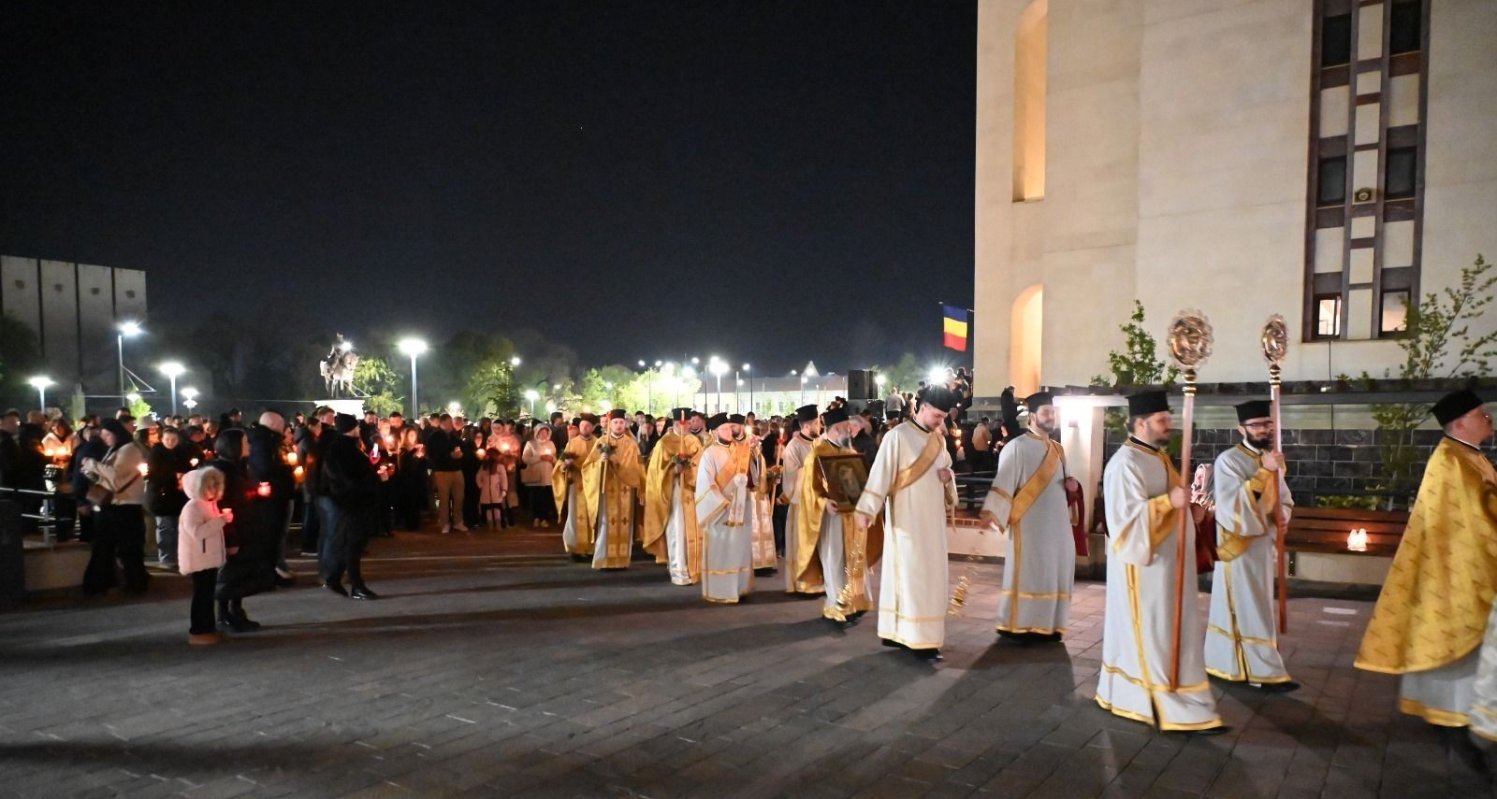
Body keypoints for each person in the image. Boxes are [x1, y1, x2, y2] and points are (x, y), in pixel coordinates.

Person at [1360, 390, 1497, 741]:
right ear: (1460, 422)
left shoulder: (1469, 455)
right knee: (1459, 641)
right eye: (1482, 414)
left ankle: (1459, 714)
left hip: (1460, 566)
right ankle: (1453, 717)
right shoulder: (1452, 459)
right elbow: (1477, 518)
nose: (1489, 419)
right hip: (1457, 572)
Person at [1097, 391, 1224, 733]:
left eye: (1169, 418)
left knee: (1171, 628)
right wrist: (1170, 502)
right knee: (1152, 629)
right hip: (1145, 570)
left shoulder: (1159, 458)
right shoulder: (1125, 464)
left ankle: (1178, 688)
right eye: (1162, 420)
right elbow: (1125, 523)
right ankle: (1154, 695)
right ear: (1140, 423)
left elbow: (1174, 504)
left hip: (1170, 566)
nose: (1169, 425)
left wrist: (1191, 511)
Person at [854, 387, 958, 661]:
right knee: (911, 577)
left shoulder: (939, 441)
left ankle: (922, 634)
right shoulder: (896, 437)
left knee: (932, 578)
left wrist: (949, 478)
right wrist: (867, 509)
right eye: (937, 415)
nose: (940, 422)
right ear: (922, 408)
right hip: (907, 522)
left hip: (933, 524)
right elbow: (881, 474)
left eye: (943, 417)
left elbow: (947, 472)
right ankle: (914, 638)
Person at [1203, 399, 1298, 691]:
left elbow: (1283, 498)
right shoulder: (1228, 460)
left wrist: (1282, 513)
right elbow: (1232, 507)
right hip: (1238, 545)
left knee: (1256, 604)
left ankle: (1228, 663)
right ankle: (1263, 671)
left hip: (1262, 543)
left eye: (1266, 424)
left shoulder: (1271, 460)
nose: (1263, 429)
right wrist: (1262, 473)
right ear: (1240, 428)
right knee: (1246, 606)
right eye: (1256, 425)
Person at [979, 392, 1075, 643]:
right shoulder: (1016, 447)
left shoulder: (1059, 450)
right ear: (1032, 417)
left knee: (1055, 571)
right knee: (1029, 572)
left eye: (1053, 413)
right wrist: (993, 512)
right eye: (1046, 413)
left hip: (1057, 525)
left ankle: (1051, 625)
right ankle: (1018, 624)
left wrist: (1072, 485)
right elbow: (1003, 483)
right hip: (1029, 525)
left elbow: (1065, 482)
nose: (1051, 417)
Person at [797, 406, 877, 624]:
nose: (849, 432)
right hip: (832, 519)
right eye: (845, 428)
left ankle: (857, 602)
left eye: (849, 428)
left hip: (853, 517)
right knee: (835, 561)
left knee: (855, 559)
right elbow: (809, 490)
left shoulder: (850, 452)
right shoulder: (817, 452)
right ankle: (838, 607)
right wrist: (824, 502)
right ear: (834, 429)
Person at [209, 428, 274, 632]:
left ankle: (236, 611)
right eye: (245, 442)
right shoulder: (223, 472)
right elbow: (225, 506)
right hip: (233, 531)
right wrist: (231, 539)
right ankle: (224, 615)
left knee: (239, 576)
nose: (249, 446)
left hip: (245, 529)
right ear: (234, 446)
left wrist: (257, 495)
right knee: (229, 576)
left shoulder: (237, 468)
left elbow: (241, 497)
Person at [80, 418, 150, 595]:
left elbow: (116, 478)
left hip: (126, 505)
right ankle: (108, 583)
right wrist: (93, 473)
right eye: (102, 435)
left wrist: (93, 465)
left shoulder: (129, 450)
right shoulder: (116, 450)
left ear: (116, 433)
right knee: (110, 547)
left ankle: (132, 583)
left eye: (107, 435)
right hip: (114, 504)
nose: (104, 439)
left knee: (126, 548)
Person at [696, 413, 755, 603]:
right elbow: (707, 483)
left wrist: (755, 454)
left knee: (739, 549)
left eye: (730, 427)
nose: (729, 431)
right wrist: (723, 502)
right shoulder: (709, 453)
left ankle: (739, 587)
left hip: (740, 508)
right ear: (714, 432)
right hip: (720, 511)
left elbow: (753, 475)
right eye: (724, 428)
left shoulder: (741, 449)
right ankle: (721, 591)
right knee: (722, 551)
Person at [320, 413, 380, 599]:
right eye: (357, 427)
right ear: (351, 429)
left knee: (352, 543)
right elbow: (346, 478)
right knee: (353, 544)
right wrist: (369, 482)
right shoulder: (341, 450)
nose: (359, 429)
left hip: (354, 501)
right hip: (352, 502)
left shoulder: (347, 447)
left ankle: (335, 578)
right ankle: (356, 585)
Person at [642, 409, 703, 585]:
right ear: (676, 424)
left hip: (692, 491)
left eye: (690, 423)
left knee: (692, 530)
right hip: (673, 492)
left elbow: (701, 465)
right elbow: (655, 472)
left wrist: (690, 471)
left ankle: (694, 569)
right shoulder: (664, 443)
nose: (688, 426)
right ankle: (678, 570)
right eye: (685, 423)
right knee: (677, 530)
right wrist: (673, 471)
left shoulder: (694, 441)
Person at [585, 409, 643, 569]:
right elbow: (587, 467)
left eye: (621, 422)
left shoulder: (631, 444)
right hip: (607, 488)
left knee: (625, 523)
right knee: (606, 522)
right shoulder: (602, 442)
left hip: (626, 489)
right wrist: (600, 463)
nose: (618, 425)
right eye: (615, 422)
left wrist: (617, 463)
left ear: (625, 424)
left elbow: (637, 467)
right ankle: (604, 559)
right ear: (610, 424)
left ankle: (622, 560)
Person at [178, 466, 230, 646]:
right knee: (202, 594)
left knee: (207, 594)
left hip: (208, 557)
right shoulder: (193, 507)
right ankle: (199, 629)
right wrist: (221, 520)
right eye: (209, 487)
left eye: (216, 486)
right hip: (199, 558)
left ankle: (208, 627)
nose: (213, 491)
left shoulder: (208, 504)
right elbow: (197, 533)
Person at [780, 405, 823, 595]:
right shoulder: (794, 446)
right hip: (802, 504)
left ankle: (819, 582)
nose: (821, 425)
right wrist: (814, 469)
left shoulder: (821, 442)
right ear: (809, 424)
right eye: (818, 422)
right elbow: (791, 475)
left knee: (818, 544)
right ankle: (802, 584)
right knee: (802, 544)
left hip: (819, 502)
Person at [146, 426, 193, 570]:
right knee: (165, 528)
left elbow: (188, 468)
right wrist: (174, 476)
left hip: (178, 496)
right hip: (162, 496)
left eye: (174, 439)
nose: (170, 442)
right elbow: (154, 475)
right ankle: (166, 558)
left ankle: (179, 556)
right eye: (167, 439)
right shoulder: (156, 453)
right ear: (162, 439)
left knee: (178, 528)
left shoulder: (181, 452)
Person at [553, 414, 599, 559]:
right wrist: (565, 465)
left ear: (593, 427)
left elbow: (600, 465)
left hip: (592, 486)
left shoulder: (598, 443)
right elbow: (560, 464)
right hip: (577, 485)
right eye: (582, 426)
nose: (584, 428)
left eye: (587, 426)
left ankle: (591, 547)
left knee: (593, 516)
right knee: (575, 516)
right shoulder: (572, 443)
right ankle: (575, 548)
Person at [427, 414, 468, 533]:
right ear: (442, 423)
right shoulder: (434, 437)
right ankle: (444, 522)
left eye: (451, 422)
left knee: (459, 498)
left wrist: (461, 455)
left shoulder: (454, 436)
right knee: (444, 499)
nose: (451, 425)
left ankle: (458, 521)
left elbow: (462, 447)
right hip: (442, 471)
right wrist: (449, 455)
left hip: (456, 470)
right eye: (449, 422)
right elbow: (433, 454)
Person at [521, 425, 558, 527]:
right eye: (541, 432)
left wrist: (552, 459)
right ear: (537, 433)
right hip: (535, 475)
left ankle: (544, 518)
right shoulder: (531, 444)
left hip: (547, 476)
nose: (543, 434)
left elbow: (555, 459)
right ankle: (536, 518)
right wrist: (540, 457)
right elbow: (525, 459)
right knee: (535, 498)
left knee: (546, 498)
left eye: (545, 432)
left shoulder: (551, 444)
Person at [478, 449, 509, 529]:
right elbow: (478, 477)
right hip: (486, 491)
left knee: (497, 507)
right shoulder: (484, 467)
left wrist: (504, 489)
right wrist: (481, 486)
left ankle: (498, 523)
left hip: (496, 491)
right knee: (488, 508)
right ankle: (490, 524)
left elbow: (503, 479)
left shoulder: (500, 467)